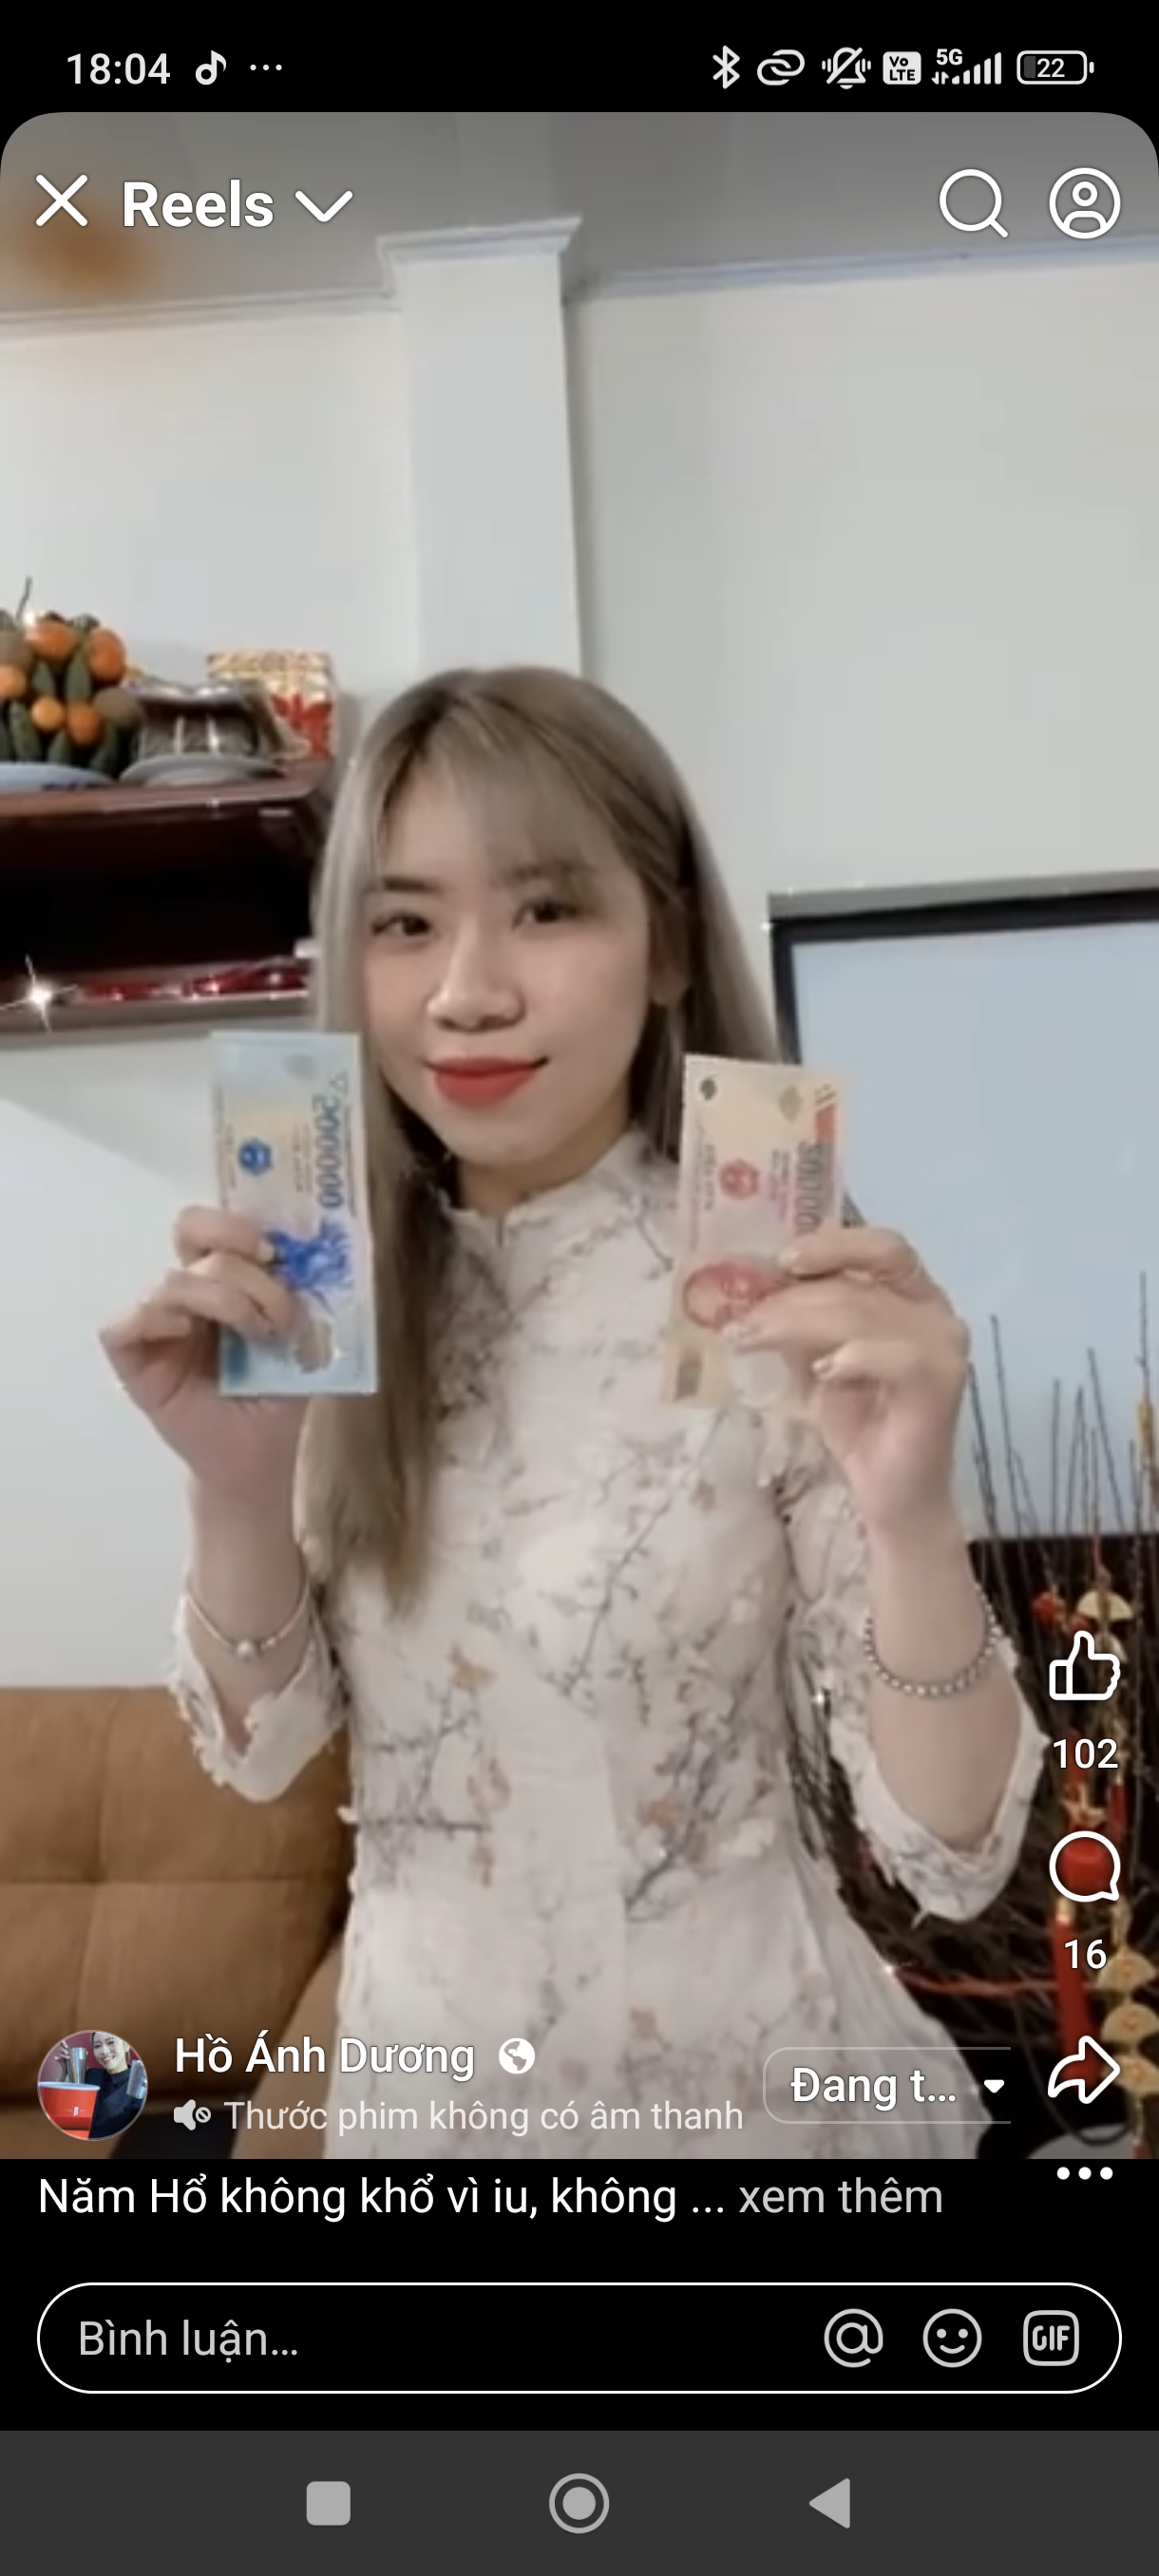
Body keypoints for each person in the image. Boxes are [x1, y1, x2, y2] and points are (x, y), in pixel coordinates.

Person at [100, 666, 1045, 2162]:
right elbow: (264, 1758)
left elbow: (955, 1852)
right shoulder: (320, 1297)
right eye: (405, 924)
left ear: (664, 941)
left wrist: (911, 1513)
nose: (468, 991)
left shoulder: (771, 1290)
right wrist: (234, 1487)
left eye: (545, 909)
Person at [61, 2033, 145, 2140]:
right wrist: (65, 2072)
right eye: (97, 2046)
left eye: (111, 2042)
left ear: (126, 2045)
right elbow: (67, 2104)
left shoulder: (138, 2084)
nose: (104, 2051)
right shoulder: (91, 2075)